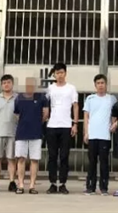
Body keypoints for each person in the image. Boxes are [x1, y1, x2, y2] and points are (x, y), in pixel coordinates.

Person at [45, 63, 79, 194]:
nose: (59, 75)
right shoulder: (50, 88)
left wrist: (75, 124)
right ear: (54, 74)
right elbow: (45, 105)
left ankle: (63, 183)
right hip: (52, 125)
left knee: (64, 156)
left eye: (62, 72)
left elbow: (75, 106)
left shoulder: (71, 88)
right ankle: (53, 183)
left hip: (66, 126)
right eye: (57, 73)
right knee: (52, 156)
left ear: (65, 73)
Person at [14, 77, 49, 195]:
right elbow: (16, 115)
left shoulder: (41, 97)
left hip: (36, 132)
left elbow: (45, 114)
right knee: (21, 158)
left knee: (34, 159)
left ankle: (32, 185)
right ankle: (20, 184)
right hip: (21, 133)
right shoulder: (19, 98)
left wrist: (36, 122)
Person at [84, 74, 117, 195]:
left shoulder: (111, 99)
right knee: (92, 163)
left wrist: (114, 124)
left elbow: (115, 114)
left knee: (104, 163)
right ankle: (90, 187)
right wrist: (86, 132)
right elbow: (86, 117)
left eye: (102, 83)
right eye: (98, 83)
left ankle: (104, 187)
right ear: (95, 85)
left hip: (105, 136)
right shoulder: (90, 99)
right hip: (92, 135)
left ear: (106, 84)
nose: (100, 85)